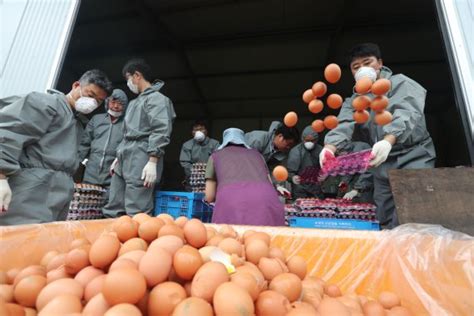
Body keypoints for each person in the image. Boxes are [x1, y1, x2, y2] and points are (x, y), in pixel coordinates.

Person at [321, 43, 436, 228]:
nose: (362, 69)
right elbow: (344, 124)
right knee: (383, 214)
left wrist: (388, 140)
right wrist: (329, 147)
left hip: (413, 155)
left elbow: (406, 112)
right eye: (356, 67)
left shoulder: (400, 83)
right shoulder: (356, 100)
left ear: (380, 63)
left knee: (412, 215)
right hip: (381, 163)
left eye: (367, 63)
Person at [0, 70, 113, 225]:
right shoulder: (46, 103)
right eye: (91, 95)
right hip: (28, 191)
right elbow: (9, 133)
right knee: (17, 239)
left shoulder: (78, 123)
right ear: (76, 85)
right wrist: (1, 176)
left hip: (57, 197)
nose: (93, 103)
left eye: (98, 101)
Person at [103, 58, 176, 217]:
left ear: (137, 75)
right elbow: (126, 133)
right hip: (125, 155)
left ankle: (136, 241)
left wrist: (152, 160)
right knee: (114, 203)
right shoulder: (134, 102)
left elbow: (161, 130)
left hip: (142, 155)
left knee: (137, 208)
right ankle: (113, 238)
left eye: (128, 78)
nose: (128, 83)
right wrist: (118, 156)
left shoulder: (157, 100)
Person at [205, 128, 285, 226]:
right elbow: (270, 182)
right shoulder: (258, 155)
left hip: (232, 203)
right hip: (266, 202)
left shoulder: (215, 156)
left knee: (234, 238)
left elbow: (209, 196)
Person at [78, 89, 128, 189]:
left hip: (113, 174)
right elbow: (85, 143)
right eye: (113, 102)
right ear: (107, 102)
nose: (115, 106)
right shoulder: (96, 119)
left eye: (120, 104)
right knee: (87, 201)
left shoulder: (127, 123)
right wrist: (77, 162)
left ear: (125, 106)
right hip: (91, 172)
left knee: (109, 202)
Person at [245, 121, 300, 197]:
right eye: (288, 144)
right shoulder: (258, 140)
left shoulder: (280, 152)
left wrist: (277, 186)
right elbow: (248, 166)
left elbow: (271, 170)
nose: (288, 148)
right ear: (280, 137)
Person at [179, 120, 219, 191]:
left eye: (201, 129)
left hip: (210, 179)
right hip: (192, 180)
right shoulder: (187, 145)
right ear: (192, 132)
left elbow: (218, 160)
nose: (198, 132)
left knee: (209, 197)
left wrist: (207, 172)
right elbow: (184, 162)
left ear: (206, 131)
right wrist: (196, 172)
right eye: (196, 130)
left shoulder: (214, 144)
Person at [287, 126, 324, 199]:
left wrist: (325, 176)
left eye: (312, 140)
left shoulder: (321, 150)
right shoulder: (295, 151)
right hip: (299, 190)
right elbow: (289, 172)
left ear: (316, 139)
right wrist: (292, 177)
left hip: (316, 190)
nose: (309, 143)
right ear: (302, 139)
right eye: (307, 140)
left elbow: (328, 168)